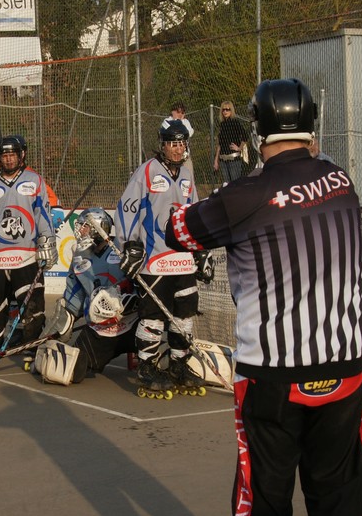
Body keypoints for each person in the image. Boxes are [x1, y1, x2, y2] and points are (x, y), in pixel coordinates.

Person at [163, 77, 362, 516]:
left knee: (264, 502)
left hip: (273, 377)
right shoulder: (341, 179)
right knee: (340, 498)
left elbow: (179, 231)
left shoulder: (246, 195)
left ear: (258, 129)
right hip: (345, 367)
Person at [117, 119, 210, 399]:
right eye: (172, 144)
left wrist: (200, 249)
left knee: (185, 313)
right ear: (163, 145)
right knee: (154, 316)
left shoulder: (187, 175)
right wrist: (130, 244)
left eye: (181, 143)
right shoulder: (146, 171)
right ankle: (147, 365)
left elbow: (194, 214)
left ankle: (179, 363)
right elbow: (127, 208)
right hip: (154, 258)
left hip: (182, 260)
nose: (178, 149)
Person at [0, 134, 57, 373]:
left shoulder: (34, 180)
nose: (8, 159)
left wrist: (48, 241)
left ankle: (31, 348)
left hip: (27, 256)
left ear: (21, 155)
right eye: (4, 155)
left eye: (12, 155)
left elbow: (43, 214)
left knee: (33, 308)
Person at [37, 208, 138, 385]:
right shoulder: (79, 257)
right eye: (80, 226)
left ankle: (154, 359)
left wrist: (129, 301)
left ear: (100, 228)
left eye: (85, 226)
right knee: (69, 372)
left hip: (133, 324)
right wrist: (52, 335)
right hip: (101, 330)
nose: (80, 231)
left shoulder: (123, 250)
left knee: (157, 338)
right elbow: (73, 301)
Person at [214, 100, 256, 184]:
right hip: (223, 160)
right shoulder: (222, 124)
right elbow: (220, 144)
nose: (225, 111)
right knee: (226, 184)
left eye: (227, 109)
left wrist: (239, 148)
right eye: (223, 109)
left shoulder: (235, 122)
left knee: (235, 184)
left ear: (231, 110)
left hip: (233, 159)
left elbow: (245, 136)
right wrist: (216, 160)